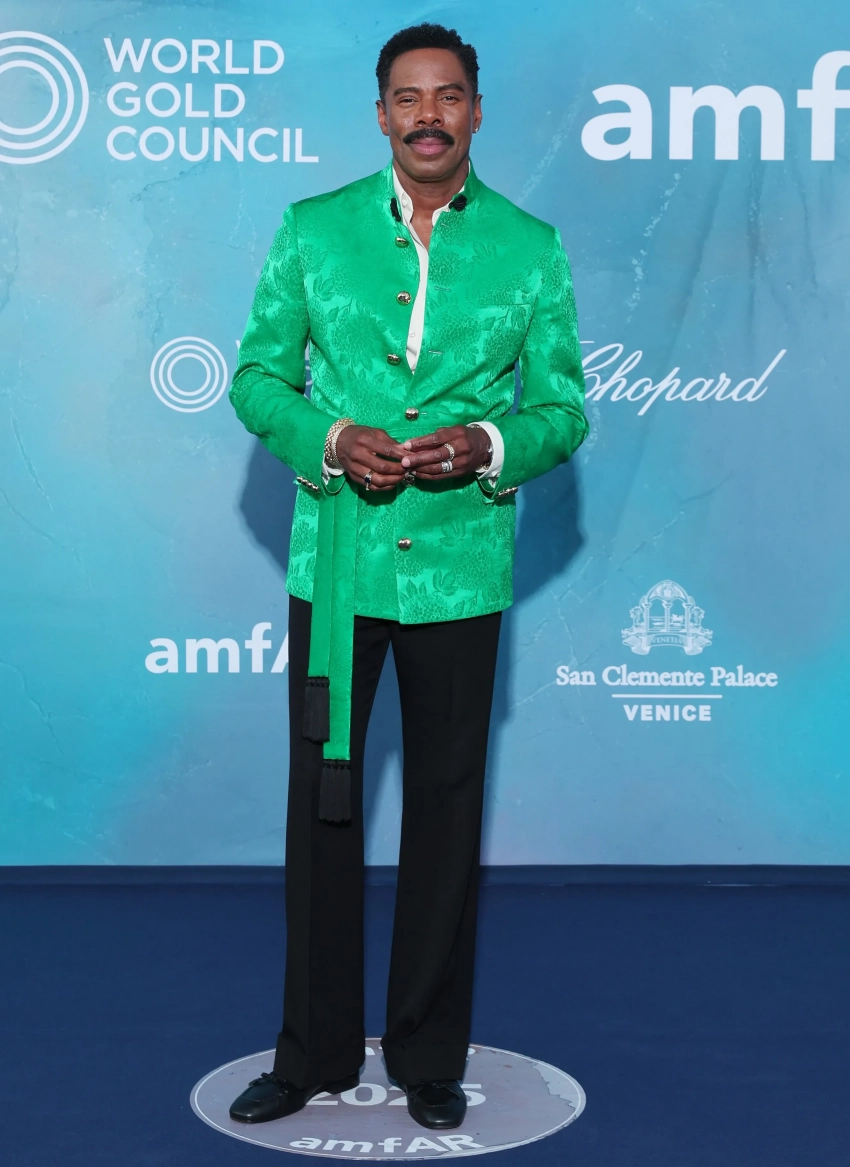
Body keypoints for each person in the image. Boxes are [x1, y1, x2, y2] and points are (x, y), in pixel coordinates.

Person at [226, 22, 588, 1132]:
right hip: (337, 566)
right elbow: (255, 378)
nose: (428, 115)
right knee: (322, 807)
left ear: (476, 110)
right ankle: (312, 1052)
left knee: (445, 806)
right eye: (407, 97)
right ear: (381, 115)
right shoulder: (312, 229)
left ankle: (431, 1053)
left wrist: (488, 443)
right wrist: (332, 438)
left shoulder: (532, 248)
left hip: (461, 575)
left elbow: (562, 408)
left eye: (449, 95)